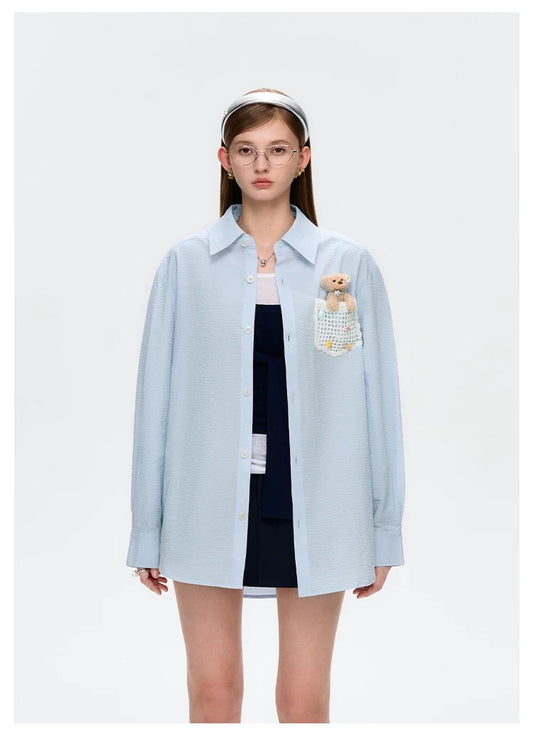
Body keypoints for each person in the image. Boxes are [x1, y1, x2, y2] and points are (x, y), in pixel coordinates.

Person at [126, 88, 406, 723]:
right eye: (247, 150)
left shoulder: (345, 264)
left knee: (304, 700)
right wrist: (148, 525)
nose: (262, 164)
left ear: (302, 159)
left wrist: (382, 527)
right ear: (224, 160)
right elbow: (154, 402)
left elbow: (378, 401)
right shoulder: (187, 265)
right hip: (204, 502)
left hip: (318, 502)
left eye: (278, 150)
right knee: (213, 693)